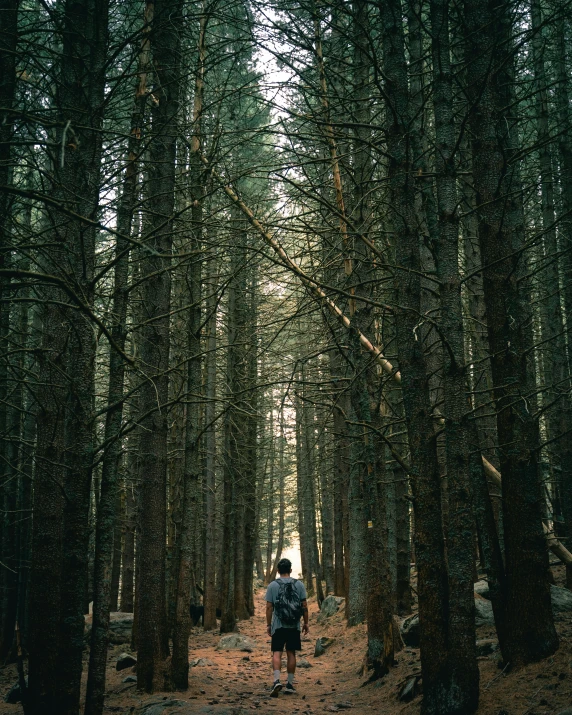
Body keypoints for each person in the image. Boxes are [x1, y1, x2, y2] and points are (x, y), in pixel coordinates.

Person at [265, 558, 309, 697]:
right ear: (290, 570)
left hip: (278, 625)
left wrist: (268, 624)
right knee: (291, 653)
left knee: (277, 652)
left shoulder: (272, 585)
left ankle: (276, 681)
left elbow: (269, 607)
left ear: (278, 571)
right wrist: (306, 623)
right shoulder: (299, 585)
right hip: (294, 625)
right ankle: (289, 684)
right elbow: (304, 606)